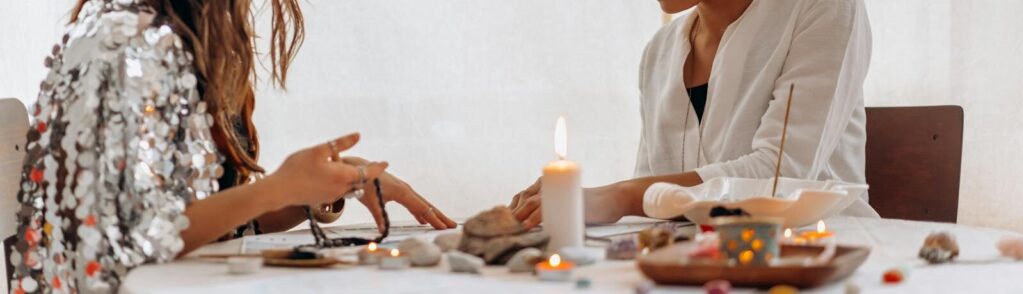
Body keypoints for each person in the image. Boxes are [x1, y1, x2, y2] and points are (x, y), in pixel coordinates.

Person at [8, 0, 455, 292]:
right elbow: (126, 241)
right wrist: (277, 188)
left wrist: (314, 192)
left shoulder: (197, 41)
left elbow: (213, 226)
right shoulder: (123, 45)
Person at [509, 0, 878, 229]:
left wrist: (615, 197)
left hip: (824, 259)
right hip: (695, 263)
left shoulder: (824, 6)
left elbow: (781, 174)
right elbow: (653, 189)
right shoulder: (660, 50)